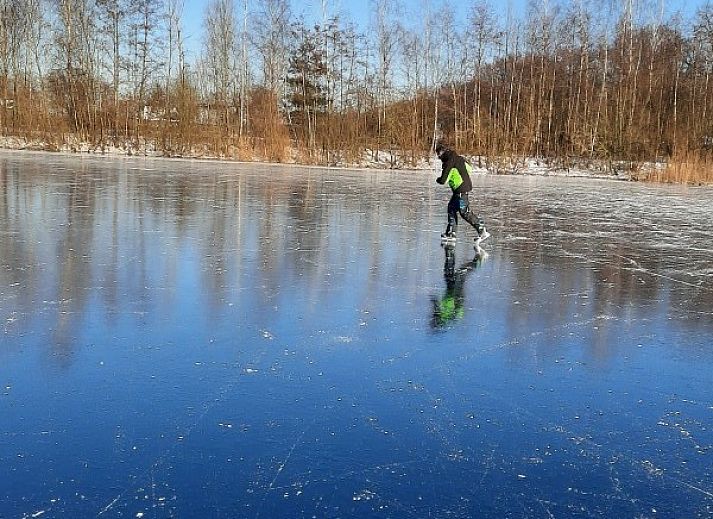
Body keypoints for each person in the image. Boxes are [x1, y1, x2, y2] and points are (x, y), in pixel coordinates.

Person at [435, 142, 489, 244]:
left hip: (461, 190)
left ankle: (482, 230)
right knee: (451, 208)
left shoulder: (448, 163)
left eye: (438, 155)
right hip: (462, 188)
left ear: (441, 153)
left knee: (465, 212)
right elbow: (469, 168)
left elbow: (443, 180)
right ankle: (451, 234)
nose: (438, 157)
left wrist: (438, 179)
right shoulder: (458, 157)